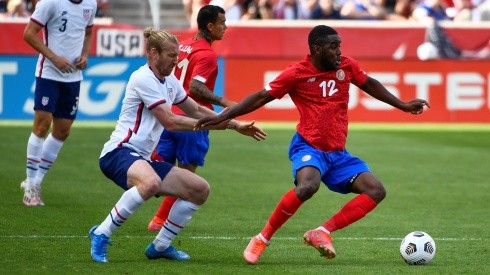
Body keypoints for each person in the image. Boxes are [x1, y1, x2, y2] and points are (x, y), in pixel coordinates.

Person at [195, 25, 430, 264]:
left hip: (338, 153)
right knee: (308, 186)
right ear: (316, 49)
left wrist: (402, 105)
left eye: (340, 46)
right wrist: (222, 117)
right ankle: (262, 239)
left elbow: (370, 84)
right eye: (333, 46)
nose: (339, 52)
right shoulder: (296, 73)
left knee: (376, 191)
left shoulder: (347, 66)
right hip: (308, 146)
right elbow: (259, 97)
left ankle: (322, 231)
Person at [88, 27, 266, 263]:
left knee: (200, 189)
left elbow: (197, 110)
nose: (177, 60)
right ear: (153, 53)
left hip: (142, 159)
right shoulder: (142, 78)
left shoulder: (169, 81)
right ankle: (101, 233)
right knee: (150, 183)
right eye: (171, 55)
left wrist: (235, 124)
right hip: (118, 152)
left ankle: (161, 245)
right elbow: (170, 121)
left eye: (177, 55)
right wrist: (218, 125)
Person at [147, 4, 236, 232]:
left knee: (158, 171)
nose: (225, 27)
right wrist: (226, 103)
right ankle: (160, 222)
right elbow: (196, 88)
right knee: (186, 179)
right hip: (193, 121)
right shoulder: (207, 53)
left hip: (170, 118)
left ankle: (146, 206)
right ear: (210, 25)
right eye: (222, 23)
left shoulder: (183, 45)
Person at [20, 0, 97, 206]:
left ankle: (36, 181)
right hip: (48, 74)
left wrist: (85, 55)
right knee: (42, 125)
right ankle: (30, 187)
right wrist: (53, 58)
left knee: (62, 131)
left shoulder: (91, 4)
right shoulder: (50, 3)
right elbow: (28, 33)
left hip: (73, 77)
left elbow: (88, 32)